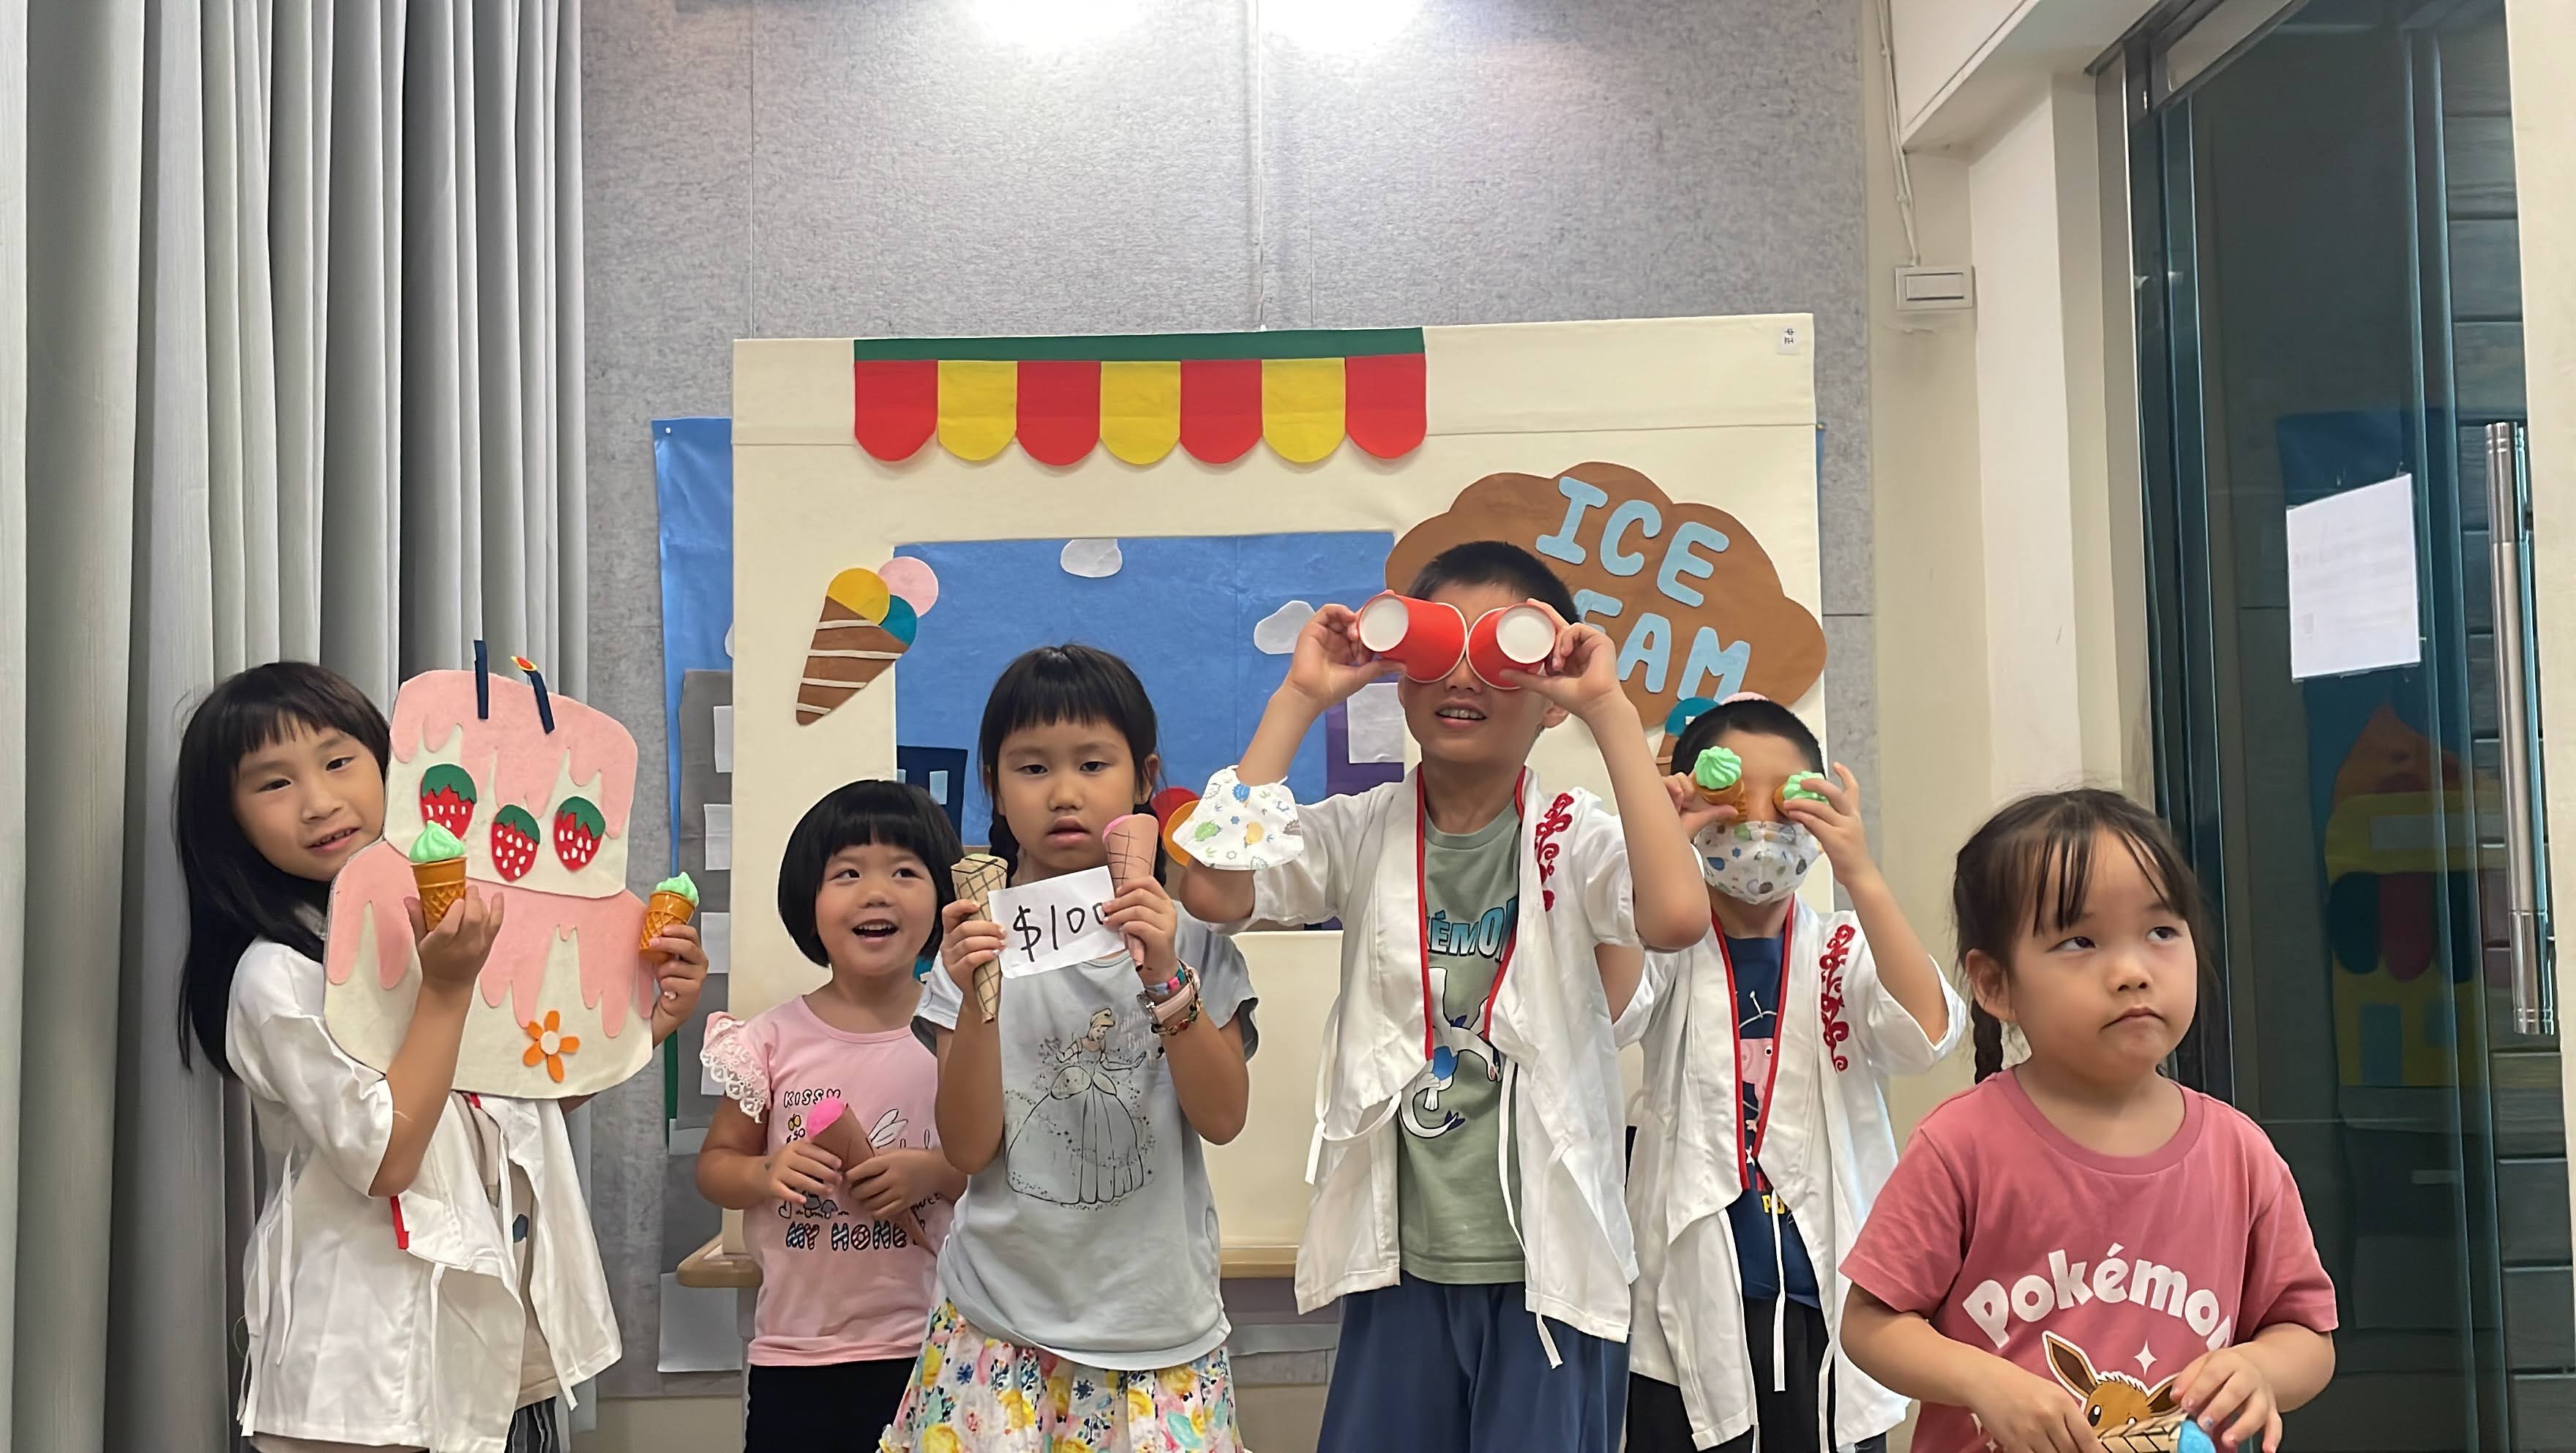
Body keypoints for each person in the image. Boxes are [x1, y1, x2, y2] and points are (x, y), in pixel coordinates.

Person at [1177, 541, 1710, 1453]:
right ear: (1401, 674)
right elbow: (1213, 891)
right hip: (1400, 1265)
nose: (1463, 676)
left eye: (1499, 655)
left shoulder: (1572, 836)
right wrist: (1298, 697)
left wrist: (1610, 711)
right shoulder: (1362, 830)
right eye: (1436, 647)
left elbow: (1674, 916)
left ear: (1548, 696)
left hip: (1548, 1273)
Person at [174, 661, 709, 1452]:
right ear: (228, 821)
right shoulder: (278, 975)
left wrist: (648, 1026)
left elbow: (508, 1106)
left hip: (500, 1342)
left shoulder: (450, 917)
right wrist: (448, 988)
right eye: (274, 783)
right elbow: (389, 1157)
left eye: (338, 761)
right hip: (367, 1373)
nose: (319, 801)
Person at [1840, 791, 2338, 1453]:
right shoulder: (1961, 1145)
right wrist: (1983, 1381)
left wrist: (2259, 1370)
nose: (2132, 972)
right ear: (1995, 985)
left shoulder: (2240, 1153)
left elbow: (2307, 1337)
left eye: (2161, 932)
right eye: (2080, 941)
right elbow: (1870, 1325)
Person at [883, 644, 1259, 1453]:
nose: (1063, 792)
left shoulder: (1191, 937)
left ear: (1144, 776)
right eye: (1032, 768)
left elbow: (1225, 1117)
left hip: (1159, 1331)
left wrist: (1165, 975)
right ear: (993, 784)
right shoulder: (974, 943)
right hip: (998, 1328)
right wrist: (977, 994)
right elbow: (968, 1147)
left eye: (1093, 764)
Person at [1624, 695, 1965, 1453]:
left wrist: (1860, 872)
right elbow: (1606, 1013)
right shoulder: (1671, 946)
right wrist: (1657, 846)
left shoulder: (1841, 949)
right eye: (1731, 798)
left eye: (1783, 803)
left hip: (1827, 1298)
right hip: (1692, 1298)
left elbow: (1926, 1035)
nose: (1757, 826)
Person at [698, 780, 970, 1452]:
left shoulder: (962, 1036)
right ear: (808, 901)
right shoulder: (770, 1041)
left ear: (943, 898)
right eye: (847, 873)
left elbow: (999, 1168)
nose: (876, 893)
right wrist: (766, 1171)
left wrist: (935, 1171)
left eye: (904, 872)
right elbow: (716, 1167)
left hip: (934, 1344)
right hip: (796, 1354)